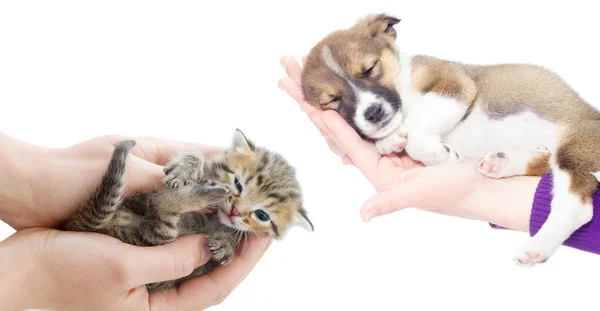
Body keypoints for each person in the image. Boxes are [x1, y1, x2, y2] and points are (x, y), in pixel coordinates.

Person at [277, 55, 600, 257]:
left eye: (370, 70)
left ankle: (569, 214)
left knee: (570, 159)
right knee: (561, 163)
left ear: (387, 40)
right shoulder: (402, 115)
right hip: (532, 152)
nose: (365, 100)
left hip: (568, 128)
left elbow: (458, 92)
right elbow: (442, 152)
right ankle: (528, 169)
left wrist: (419, 139)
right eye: (336, 99)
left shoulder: (422, 72)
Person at [0, 132, 271, 310]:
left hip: (140, 240)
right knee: (158, 219)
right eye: (238, 184)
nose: (237, 208)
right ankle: (172, 204)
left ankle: (172, 205)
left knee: (160, 228)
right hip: (139, 221)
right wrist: (37, 271)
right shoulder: (213, 169)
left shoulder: (233, 227)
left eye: (260, 214)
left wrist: (31, 181)